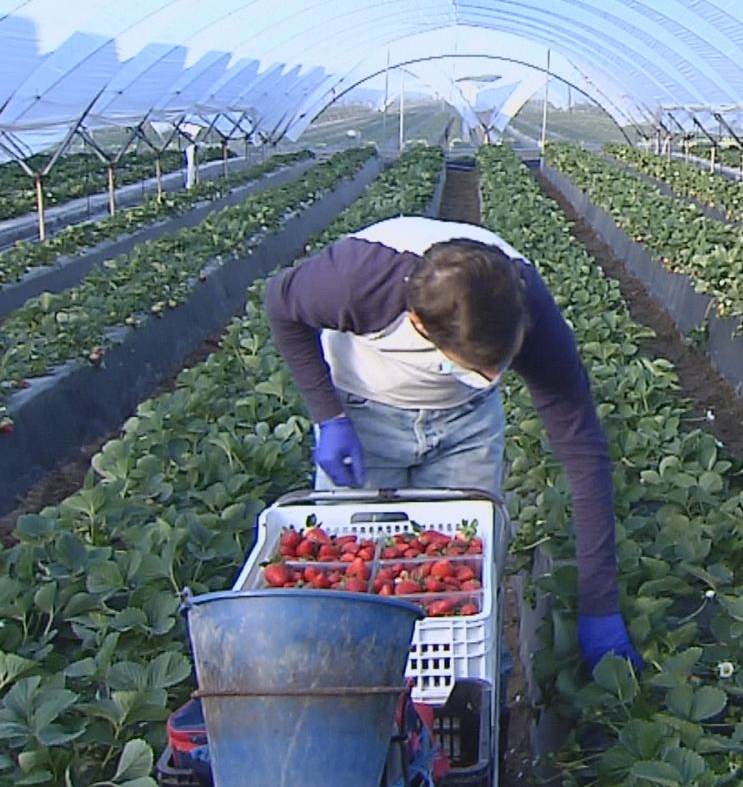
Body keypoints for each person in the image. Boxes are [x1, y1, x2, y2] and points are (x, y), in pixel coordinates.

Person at [264, 216, 641, 672]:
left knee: (465, 570)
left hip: (467, 427)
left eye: (499, 367)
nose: (489, 378)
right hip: (362, 414)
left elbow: (583, 450)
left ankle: (466, 679)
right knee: (350, 578)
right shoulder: (358, 279)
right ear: (420, 325)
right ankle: (354, 678)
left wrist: (600, 605)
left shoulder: (527, 306)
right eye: (472, 368)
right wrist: (329, 416)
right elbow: (281, 304)